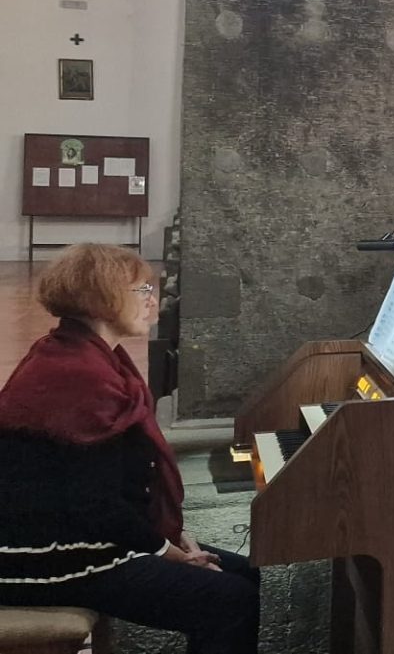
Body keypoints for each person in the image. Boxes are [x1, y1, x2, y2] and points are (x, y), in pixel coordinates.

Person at [0, 245, 261, 652]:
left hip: (71, 531)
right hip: (41, 556)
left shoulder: (83, 353)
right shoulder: (80, 375)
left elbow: (112, 488)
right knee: (230, 600)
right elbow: (94, 504)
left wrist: (174, 538)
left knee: (244, 572)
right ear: (101, 298)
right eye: (142, 290)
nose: (153, 301)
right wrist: (167, 550)